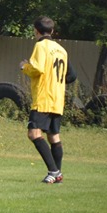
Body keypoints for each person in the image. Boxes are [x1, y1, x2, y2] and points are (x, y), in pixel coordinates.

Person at [20, 16, 70, 184]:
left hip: (44, 97)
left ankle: (54, 171)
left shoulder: (41, 46)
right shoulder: (61, 50)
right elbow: (72, 75)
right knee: (53, 136)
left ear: (36, 30)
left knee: (33, 133)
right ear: (52, 30)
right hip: (57, 98)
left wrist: (24, 66)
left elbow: (37, 69)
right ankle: (58, 175)